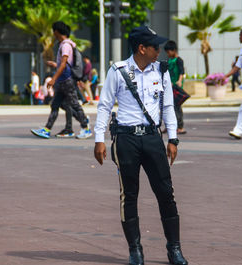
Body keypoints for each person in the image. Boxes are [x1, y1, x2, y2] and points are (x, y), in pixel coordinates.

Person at [94, 26, 188, 265]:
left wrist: (173, 139)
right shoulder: (118, 71)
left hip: (152, 138)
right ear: (141, 48)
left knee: (166, 193)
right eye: (154, 47)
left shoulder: (162, 71)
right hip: (126, 140)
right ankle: (135, 250)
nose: (159, 50)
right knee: (130, 196)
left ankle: (174, 249)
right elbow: (104, 106)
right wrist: (98, 139)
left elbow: (168, 107)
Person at [31, 21, 91, 139]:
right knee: (55, 105)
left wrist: (53, 79)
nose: (53, 34)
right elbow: (64, 64)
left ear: (57, 32)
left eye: (54, 31)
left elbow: (64, 64)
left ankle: (86, 128)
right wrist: (56, 65)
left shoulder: (65, 45)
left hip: (66, 80)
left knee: (74, 104)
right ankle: (46, 129)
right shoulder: (66, 45)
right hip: (64, 81)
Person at [164, 40, 187, 134]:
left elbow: (182, 71)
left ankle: (180, 126)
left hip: (176, 87)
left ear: (174, 50)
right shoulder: (169, 61)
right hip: (169, 86)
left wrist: (179, 81)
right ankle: (168, 126)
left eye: (169, 51)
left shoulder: (179, 60)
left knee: (177, 107)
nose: (168, 54)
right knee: (167, 107)